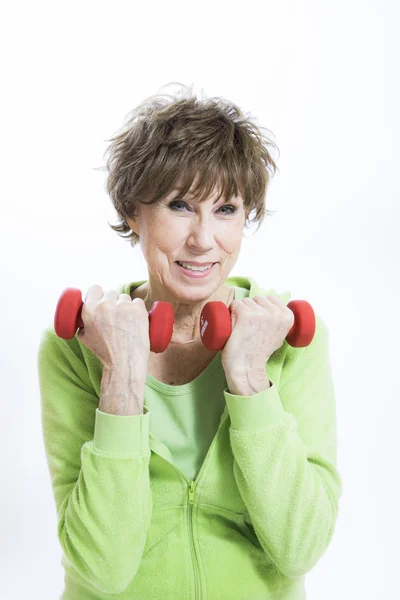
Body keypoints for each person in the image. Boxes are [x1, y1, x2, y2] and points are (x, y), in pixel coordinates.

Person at [37, 82, 342, 600]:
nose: (204, 239)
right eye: (180, 205)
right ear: (134, 212)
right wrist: (122, 381)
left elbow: (300, 547)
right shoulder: (76, 344)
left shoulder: (290, 340)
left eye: (225, 209)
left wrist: (250, 380)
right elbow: (102, 571)